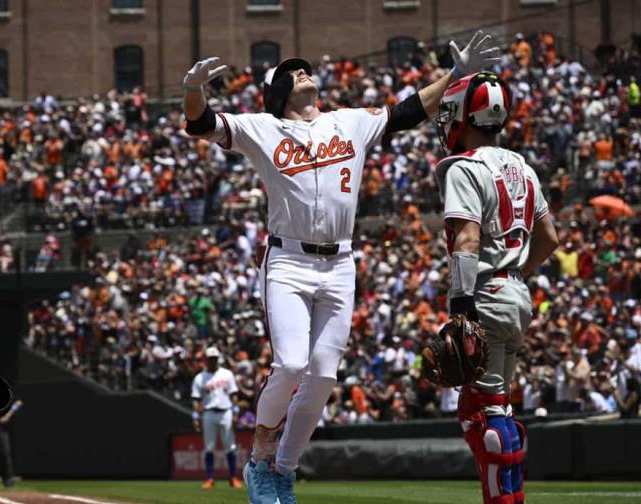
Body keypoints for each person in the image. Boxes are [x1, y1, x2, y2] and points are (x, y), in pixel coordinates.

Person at [182, 30, 501, 504]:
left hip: (341, 262)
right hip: (288, 259)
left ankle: (283, 472)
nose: (304, 71)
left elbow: (408, 111)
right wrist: (192, 91)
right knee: (290, 363)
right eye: (293, 71)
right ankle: (260, 458)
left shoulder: (348, 122)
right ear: (279, 92)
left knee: (325, 377)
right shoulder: (263, 127)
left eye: (304, 67)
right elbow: (202, 123)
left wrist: (455, 76)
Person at [433, 71, 559, 504]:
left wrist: (462, 305)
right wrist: (514, 270)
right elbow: (550, 239)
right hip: (516, 294)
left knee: (479, 413)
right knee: (500, 406)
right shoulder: (522, 166)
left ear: (465, 114)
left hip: (485, 292)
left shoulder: (462, 166)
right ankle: (512, 496)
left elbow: (466, 239)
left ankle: (500, 501)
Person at [191, 347, 243, 490]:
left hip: (226, 411)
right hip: (208, 413)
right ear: (206, 360)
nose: (213, 361)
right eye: (210, 358)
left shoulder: (227, 374)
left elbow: (234, 395)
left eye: (215, 358)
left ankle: (233, 477)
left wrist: (236, 412)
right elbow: (196, 399)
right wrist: (195, 417)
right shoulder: (199, 378)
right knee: (209, 447)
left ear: (218, 359)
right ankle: (210, 478)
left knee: (230, 446)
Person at [0, 399, 23, 487]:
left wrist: (8, 415)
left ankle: (8, 480)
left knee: (4, 454)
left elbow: (18, 402)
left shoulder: (7, 391)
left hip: (1, 427)